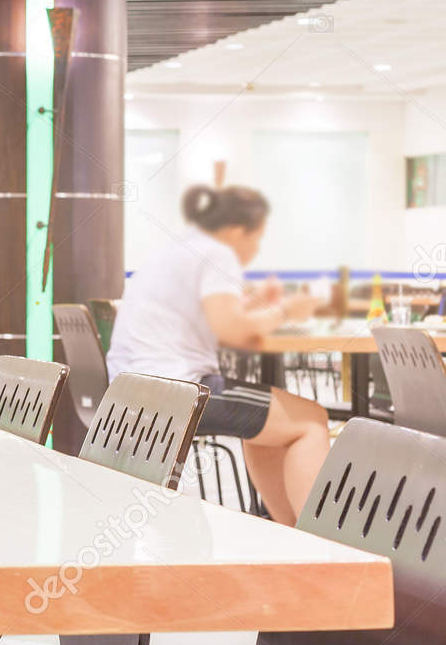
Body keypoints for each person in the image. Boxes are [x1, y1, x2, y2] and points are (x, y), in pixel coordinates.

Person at [106, 185, 325, 523]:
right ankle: (322, 544)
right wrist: (287, 312)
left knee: (269, 428)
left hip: (131, 389)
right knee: (311, 421)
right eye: (257, 239)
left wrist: (254, 307)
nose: (256, 249)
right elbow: (231, 330)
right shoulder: (217, 253)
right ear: (237, 231)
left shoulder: (176, 248)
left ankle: (290, 531)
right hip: (179, 391)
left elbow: (210, 317)